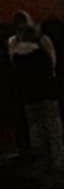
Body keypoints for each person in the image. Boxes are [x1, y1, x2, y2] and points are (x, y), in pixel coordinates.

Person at [6, 11, 63, 169]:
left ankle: (43, 163)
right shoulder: (42, 49)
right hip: (48, 93)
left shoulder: (15, 52)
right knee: (53, 129)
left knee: (36, 130)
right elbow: (51, 66)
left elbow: (14, 73)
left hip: (29, 96)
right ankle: (57, 162)